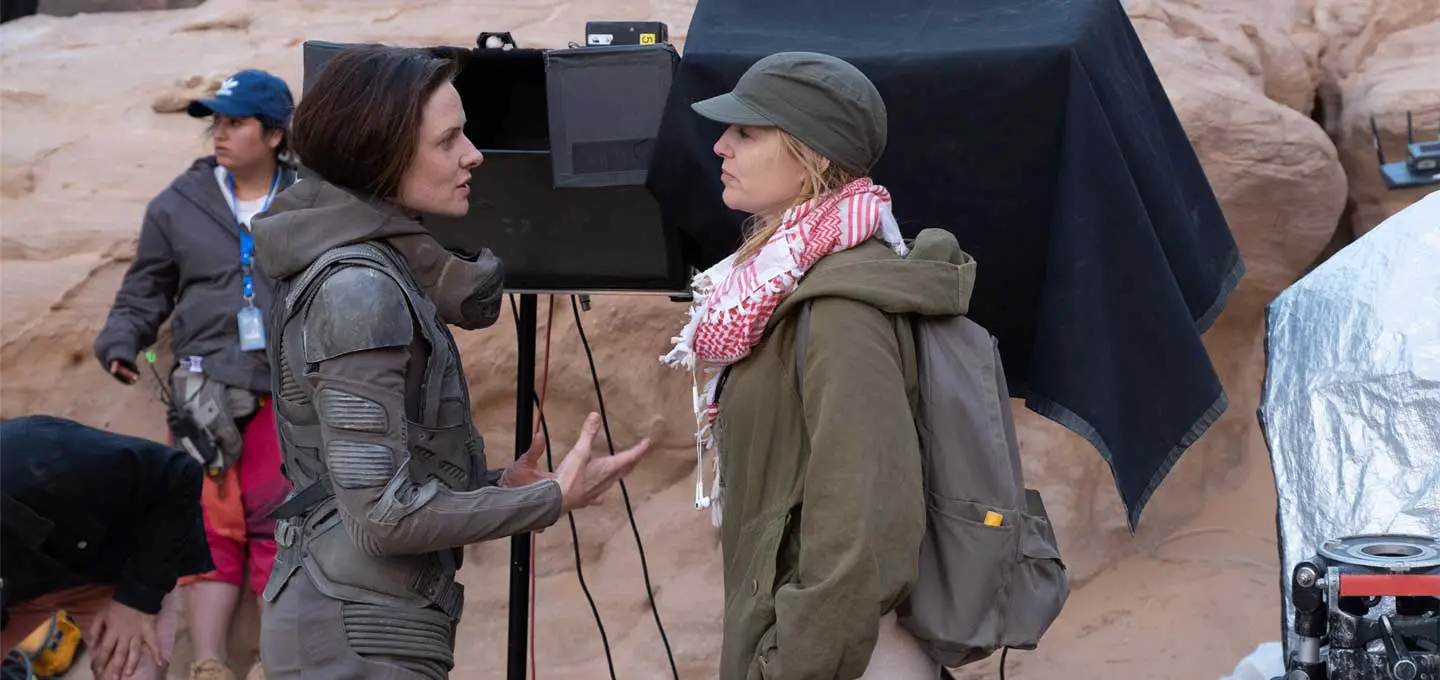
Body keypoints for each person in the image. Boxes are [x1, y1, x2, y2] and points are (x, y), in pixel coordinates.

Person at [248, 44, 653, 680]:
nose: (473, 155)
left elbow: (370, 488)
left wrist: (496, 487)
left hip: (366, 623)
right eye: (448, 140)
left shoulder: (372, 270)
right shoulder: (358, 289)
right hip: (354, 634)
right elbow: (383, 518)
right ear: (381, 154)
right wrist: (548, 498)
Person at [660, 52, 978, 679]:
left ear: (815, 156)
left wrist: (792, 661)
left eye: (747, 132)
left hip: (843, 663)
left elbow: (862, 518)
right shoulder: (782, 282)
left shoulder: (839, 306)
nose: (721, 145)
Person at [92, 68, 299, 680]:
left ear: (275, 134)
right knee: (207, 530)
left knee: (286, 527)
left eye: (236, 122)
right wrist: (121, 340)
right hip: (202, 392)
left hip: (290, 392)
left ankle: (275, 663)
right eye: (217, 123)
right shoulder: (177, 203)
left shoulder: (311, 200)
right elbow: (146, 287)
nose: (220, 134)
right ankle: (209, 664)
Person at [0, 415, 213, 680]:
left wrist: (137, 600)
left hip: (117, 569)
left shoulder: (36, 454)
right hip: (20, 589)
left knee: (132, 671)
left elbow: (179, 474)